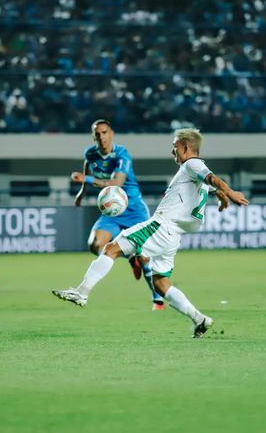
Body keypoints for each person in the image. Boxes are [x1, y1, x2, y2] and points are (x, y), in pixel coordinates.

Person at [54, 128, 249, 337]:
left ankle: (81, 292)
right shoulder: (194, 171)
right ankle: (199, 319)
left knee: (111, 248)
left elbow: (213, 180)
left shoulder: (193, 164)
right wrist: (222, 197)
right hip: (173, 236)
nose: (172, 151)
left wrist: (229, 192)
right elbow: (212, 186)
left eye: (174, 146)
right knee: (161, 284)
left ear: (184, 147)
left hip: (161, 226)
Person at [71, 119, 165, 310]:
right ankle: (130, 257)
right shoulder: (90, 154)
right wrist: (81, 194)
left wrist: (87, 179)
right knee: (95, 245)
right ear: (93, 136)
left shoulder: (122, 155)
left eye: (105, 133)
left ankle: (158, 300)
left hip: (133, 209)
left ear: (111, 134)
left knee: (145, 257)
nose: (102, 137)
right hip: (111, 210)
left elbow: (117, 184)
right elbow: (86, 169)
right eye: (98, 134)